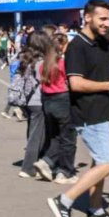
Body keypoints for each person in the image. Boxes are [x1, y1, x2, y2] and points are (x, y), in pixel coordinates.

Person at [48, 0, 109, 217]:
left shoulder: (103, 42)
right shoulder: (77, 46)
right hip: (89, 114)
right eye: (102, 19)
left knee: (99, 163)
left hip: (104, 112)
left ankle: (96, 212)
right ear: (87, 18)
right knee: (108, 163)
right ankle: (64, 200)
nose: (107, 23)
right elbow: (75, 84)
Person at [32, 33, 78, 184]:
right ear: (63, 46)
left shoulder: (44, 64)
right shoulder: (63, 63)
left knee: (55, 136)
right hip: (62, 99)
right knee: (68, 138)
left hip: (47, 101)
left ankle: (47, 161)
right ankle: (65, 172)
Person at [17, 32, 49, 179]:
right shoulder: (41, 62)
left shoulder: (26, 59)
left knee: (33, 133)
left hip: (27, 101)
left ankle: (37, 161)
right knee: (36, 136)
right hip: (38, 101)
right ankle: (28, 167)